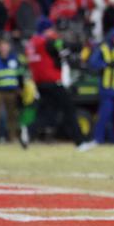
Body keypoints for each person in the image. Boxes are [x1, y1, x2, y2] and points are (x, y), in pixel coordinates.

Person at [26, 19, 85, 147]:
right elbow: (63, 45)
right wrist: (77, 45)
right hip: (53, 82)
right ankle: (80, 141)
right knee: (69, 109)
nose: (53, 32)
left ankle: (29, 132)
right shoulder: (46, 42)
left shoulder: (32, 43)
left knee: (48, 114)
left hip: (40, 82)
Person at [84, 28, 114, 145]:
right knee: (105, 114)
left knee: (111, 116)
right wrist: (106, 65)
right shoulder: (103, 48)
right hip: (105, 87)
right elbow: (93, 63)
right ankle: (98, 138)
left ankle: (111, 140)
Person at [0, 38, 24, 144]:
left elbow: (20, 74)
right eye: (2, 46)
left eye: (6, 45)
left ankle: (12, 138)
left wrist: (20, 88)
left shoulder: (15, 59)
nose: (4, 48)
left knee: (12, 114)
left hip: (12, 90)